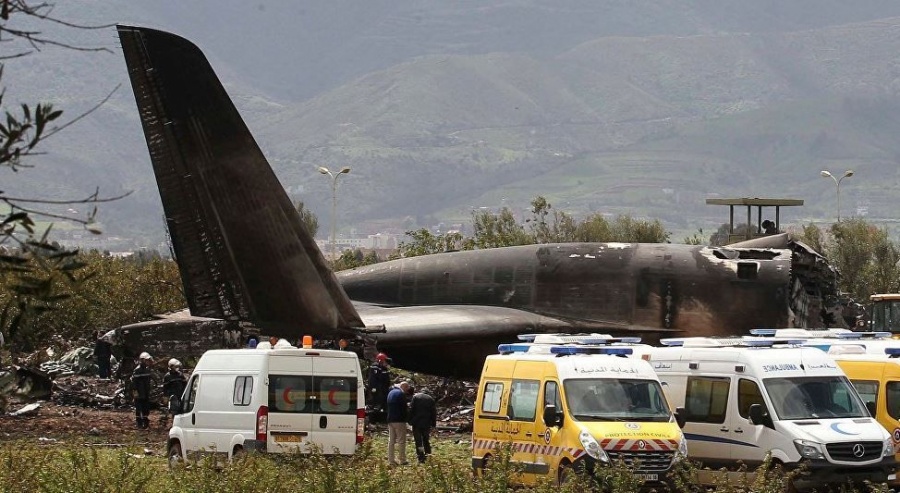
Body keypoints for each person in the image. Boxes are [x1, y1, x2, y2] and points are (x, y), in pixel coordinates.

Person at [408, 387, 437, 463]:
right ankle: (428, 455)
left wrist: (409, 420)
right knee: (426, 440)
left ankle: (421, 457)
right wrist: (434, 424)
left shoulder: (415, 397)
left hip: (416, 423)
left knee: (418, 441)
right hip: (426, 423)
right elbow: (433, 413)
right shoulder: (430, 399)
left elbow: (411, 409)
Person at [386, 381, 410, 466]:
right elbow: (404, 408)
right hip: (399, 420)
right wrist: (407, 419)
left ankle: (391, 460)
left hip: (390, 419)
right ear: (404, 386)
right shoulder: (401, 394)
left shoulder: (390, 392)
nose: (407, 392)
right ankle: (402, 459)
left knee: (391, 440)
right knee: (401, 440)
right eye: (407, 389)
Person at [132, 352, 154, 429]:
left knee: (146, 408)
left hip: (146, 392)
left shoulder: (147, 370)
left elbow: (149, 381)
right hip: (139, 392)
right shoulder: (137, 370)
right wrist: (135, 393)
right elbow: (134, 383)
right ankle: (139, 423)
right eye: (147, 360)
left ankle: (146, 422)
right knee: (139, 408)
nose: (148, 362)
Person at [367, 353, 392, 418]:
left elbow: (385, 379)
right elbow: (373, 378)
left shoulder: (383, 368)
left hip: (382, 389)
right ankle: (373, 418)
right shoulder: (375, 367)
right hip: (377, 389)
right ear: (380, 360)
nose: (386, 363)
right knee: (375, 403)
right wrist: (373, 387)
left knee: (382, 402)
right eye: (384, 361)